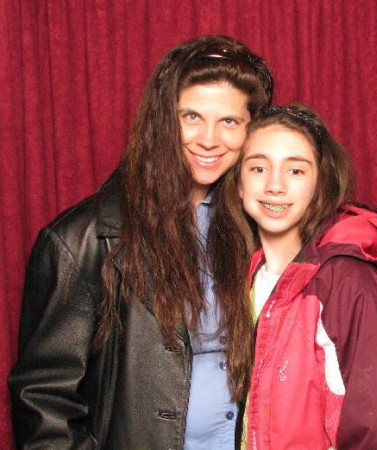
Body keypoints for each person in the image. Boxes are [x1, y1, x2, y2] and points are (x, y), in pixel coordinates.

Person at [8, 35, 273, 449]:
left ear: (251, 130)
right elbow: (43, 401)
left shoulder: (256, 227)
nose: (209, 139)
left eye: (229, 122)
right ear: (162, 119)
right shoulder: (84, 239)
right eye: (191, 116)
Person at [229, 104, 377, 448]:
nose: (275, 185)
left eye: (296, 171)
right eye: (258, 168)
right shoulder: (247, 276)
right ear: (239, 184)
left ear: (320, 185)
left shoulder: (349, 280)